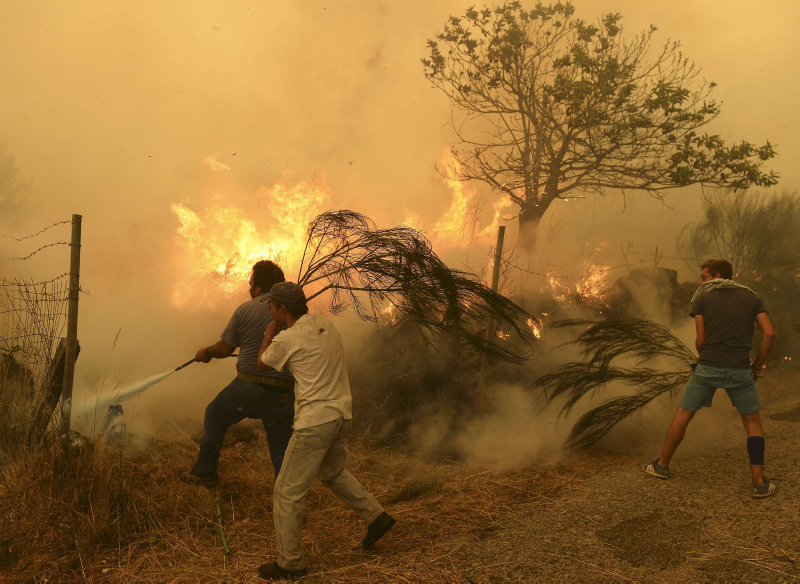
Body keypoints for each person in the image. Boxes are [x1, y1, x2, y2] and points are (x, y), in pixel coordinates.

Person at [254, 281, 395, 581]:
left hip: (314, 421)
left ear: (282, 309)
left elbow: (261, 365)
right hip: (342, 414)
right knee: (332, 473)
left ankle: (290, 565)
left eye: (272, 306)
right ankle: (376, 516)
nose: (268, 310)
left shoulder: (286, 338)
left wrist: (268, 335)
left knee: (286, 493)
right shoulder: (326, 327)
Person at [642, 259, 778, 497]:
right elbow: (769, 334)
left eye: (703, 277)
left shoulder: (702, 298)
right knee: (753, 424)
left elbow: (700, 342)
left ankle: (661, 466)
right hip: (739, 370)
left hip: (707, 368)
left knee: (684, 413)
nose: (700, 282)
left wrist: (706, 358)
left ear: (716, 275)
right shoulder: (752, 298)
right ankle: (758, 482)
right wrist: (756, 367)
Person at [179, 261, 295, 487]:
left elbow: (226, 348)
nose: (248, 288)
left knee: (214, 415)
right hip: (281, 393)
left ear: (259, 288)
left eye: (251, 283)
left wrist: (208, 352)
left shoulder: (246, 308)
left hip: (248, 387)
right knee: (281, 445)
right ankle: (289, 497)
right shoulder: (293, 311)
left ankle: (205, 472)